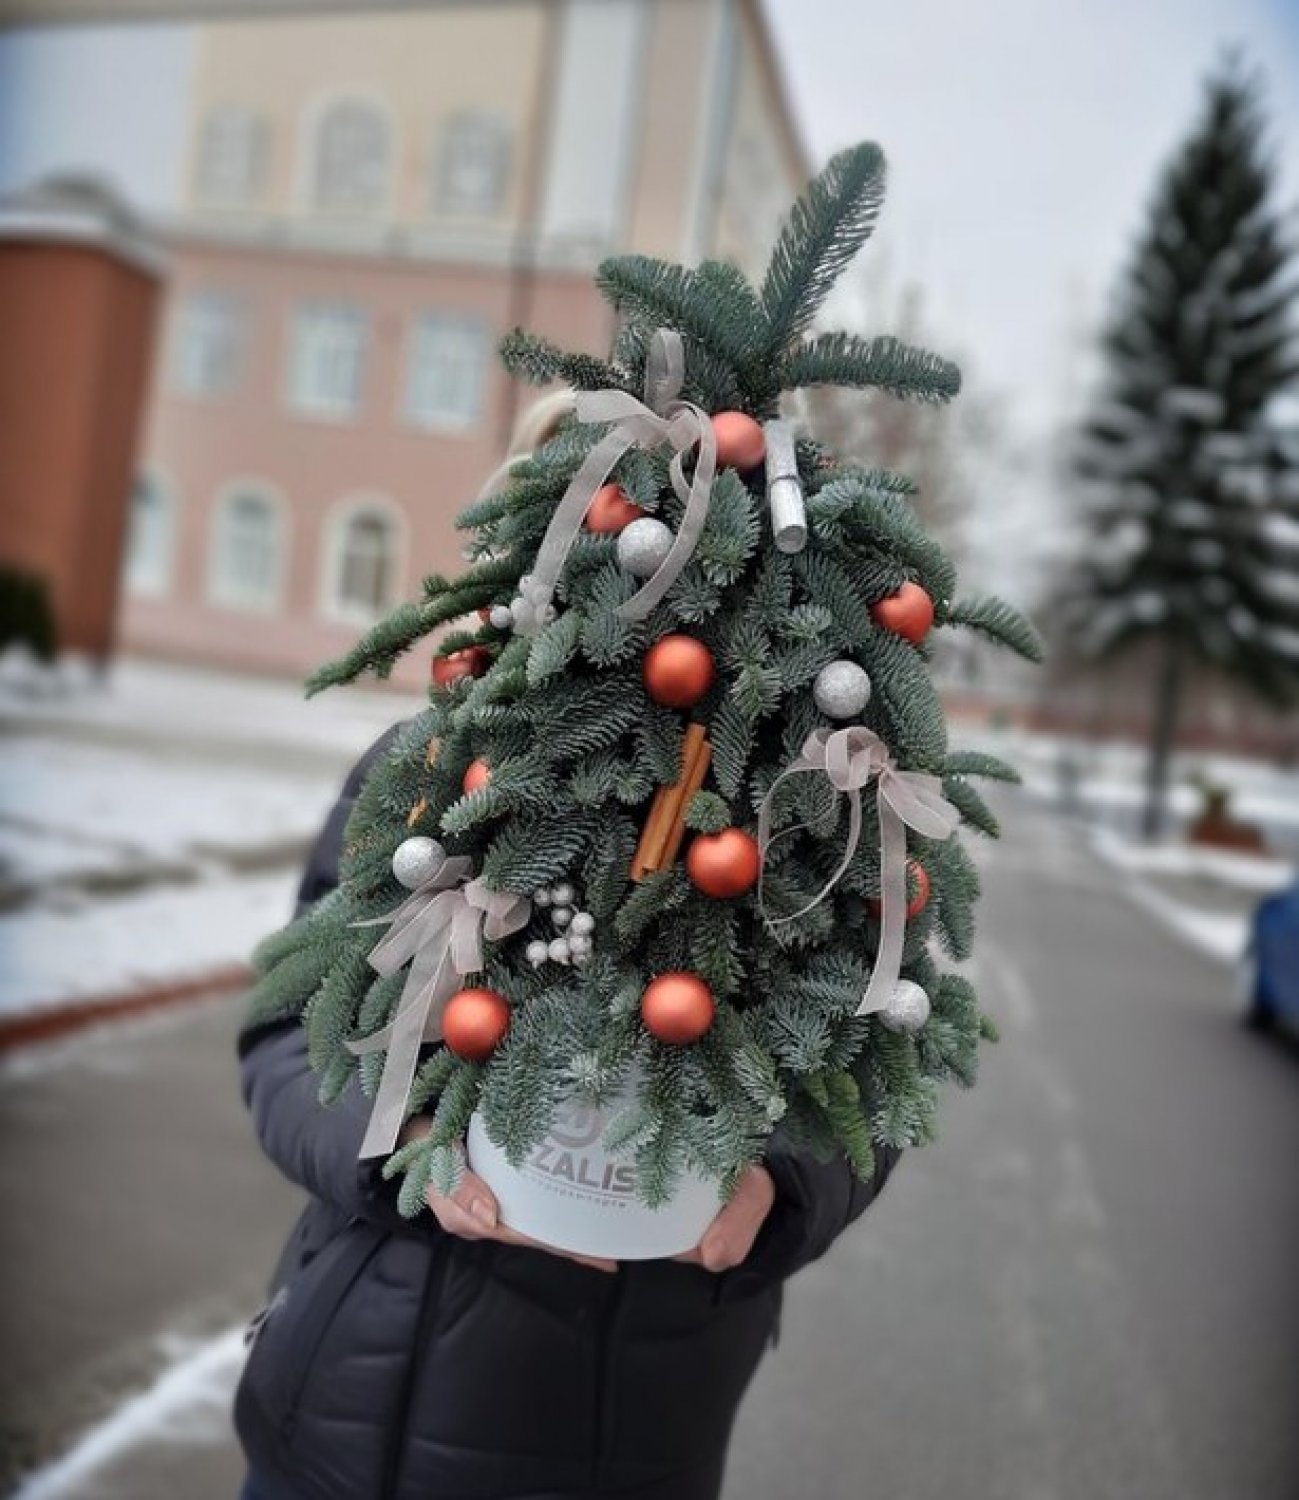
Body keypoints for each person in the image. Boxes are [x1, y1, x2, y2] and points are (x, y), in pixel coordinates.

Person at [233, 396, 902, 1500]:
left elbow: (874, 1083)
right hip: (346, 1427)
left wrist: (778, 1198)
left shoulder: (797, 816)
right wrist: (393, 1140)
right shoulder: (432, 775)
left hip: (627, 1434)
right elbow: (282, 1033)